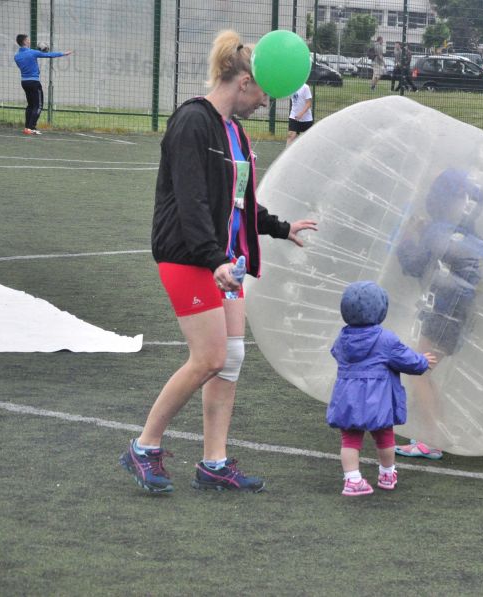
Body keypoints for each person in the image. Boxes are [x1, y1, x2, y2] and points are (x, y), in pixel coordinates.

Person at [118, 29, 318, 494]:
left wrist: (280, 227)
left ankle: (214, 462)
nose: (267, 104)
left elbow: (240, 201)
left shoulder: (236, 133)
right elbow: (190, 202)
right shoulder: (193, 121)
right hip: (191, 258)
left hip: (227, 261)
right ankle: (144, 446)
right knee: (208, 356)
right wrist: (213, 261)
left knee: (231, 358)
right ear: (244, 81)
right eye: (265, 93)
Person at [394, 169, 483, 459]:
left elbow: (413, 265)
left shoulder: (438, 231)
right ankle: (432, 435)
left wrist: (407, 236)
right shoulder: (467, 234)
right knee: (422, 372)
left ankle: (432, 439)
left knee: (419, 372)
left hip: (445, 314)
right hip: (458, 314)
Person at [327, 281, 437, 496]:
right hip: (379, 399)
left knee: (350, 439)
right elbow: (406, 360)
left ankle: (352, 479)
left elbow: (335, 353)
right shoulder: (385, 338)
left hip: (348, 397)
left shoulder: (343, 337)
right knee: (385, 437)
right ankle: (387, 474)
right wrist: (422, 361)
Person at [13, 34, 72, 135]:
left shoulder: (17, 56)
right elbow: (49, 55)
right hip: (34, 82)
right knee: (38, 105)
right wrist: (63, 53)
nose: (29, 41)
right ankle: (31, 128)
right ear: (24, 42)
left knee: (30, 105)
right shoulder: (32, 53)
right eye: (28, 39)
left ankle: (28, 127)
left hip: (24, 82)